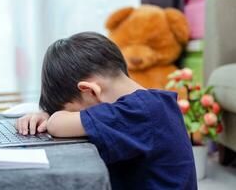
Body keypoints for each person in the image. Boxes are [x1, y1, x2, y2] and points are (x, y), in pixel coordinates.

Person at [16, 32, 197, 190]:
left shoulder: (137, 111)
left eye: (74, 112)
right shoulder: (151, 104)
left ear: (91, 91)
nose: (75, 118)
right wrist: (46, 114)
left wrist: (53, 118)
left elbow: (57, 125)